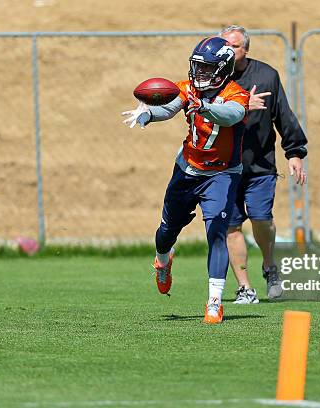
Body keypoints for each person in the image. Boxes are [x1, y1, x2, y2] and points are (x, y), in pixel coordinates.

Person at [121, 36, 250, 324]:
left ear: (223, 69)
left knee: (217, 231)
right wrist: (147, 113)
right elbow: (169, 107)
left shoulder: (236, 94)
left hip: (222, 173)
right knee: (166, 231)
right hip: (187, 170)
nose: (200, 74)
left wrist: (204, 108)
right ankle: (163, 261)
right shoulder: (188, 87)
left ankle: (215, 302)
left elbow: (232, 115)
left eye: (207, 69)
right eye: (198, 68)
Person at [220, 25, 308, 304]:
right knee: (231, 227)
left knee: (261, 218)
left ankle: (270, 267)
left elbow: (283, 115)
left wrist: (294, 152)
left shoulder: (266, 75)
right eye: (224, 45)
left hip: (259, 166)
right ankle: (245, 288)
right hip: (223, 167)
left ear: (246, 49)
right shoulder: (211, 76)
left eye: (234, 46)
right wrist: (244, 104)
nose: (228, 50)